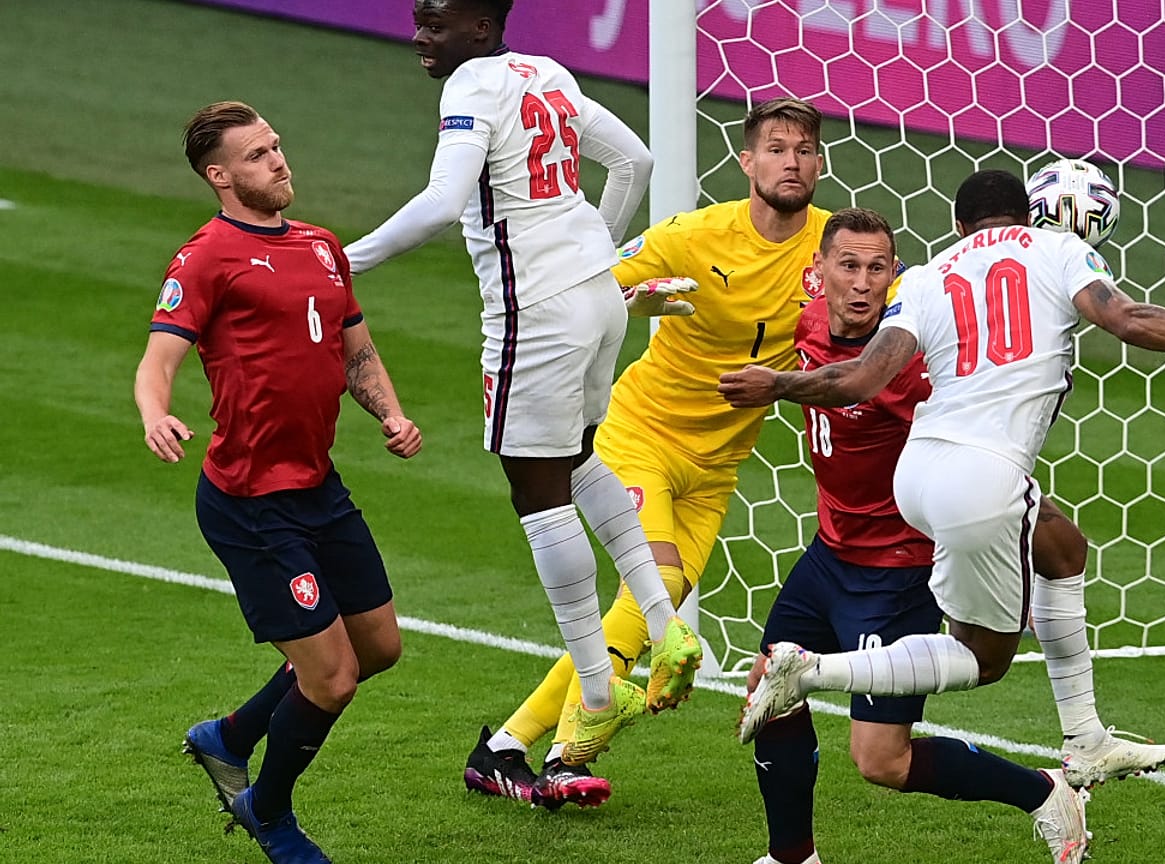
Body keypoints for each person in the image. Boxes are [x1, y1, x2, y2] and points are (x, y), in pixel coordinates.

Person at [722, 168, 1165, 748]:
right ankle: (811, 671)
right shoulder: (1061, 248)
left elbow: (861, 377)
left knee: (1063, 547)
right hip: (982, 475)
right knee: (981, 658)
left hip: (916, 476)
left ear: (959, 227)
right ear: (1032, 217)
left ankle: (1086, 739)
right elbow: (1125, 320)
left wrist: (776, 384)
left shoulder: (925, 277)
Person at [341, 0, 702, 770]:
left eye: (434, 23)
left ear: (479, 27)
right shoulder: (547, 72)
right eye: (417, 19)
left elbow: (442, 203)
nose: (418, 37)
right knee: (579, 461)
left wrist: (341, 263)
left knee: (537, 493)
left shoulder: (471, 84)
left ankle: (599, 696)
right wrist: (595, 250)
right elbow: (635, 160)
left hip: (535, 312)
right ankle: (670, 624)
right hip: (599, 298)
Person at [462, 96, 835, 808]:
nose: (793, 161)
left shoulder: (829, 245)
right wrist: (636, 303)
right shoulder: (692, 235)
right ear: (747, 161)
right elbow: (589, 285)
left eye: (806, 151)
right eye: (778, 149)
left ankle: (516, 748)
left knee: (636, 618)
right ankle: (557, 752)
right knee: (656, 594)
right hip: (643, 438)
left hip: (718, 467)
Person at [743, 207, 1089, 864]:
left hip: (897, 572)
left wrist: (1036, 541)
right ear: (819, 273)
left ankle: (1045, 793)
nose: (864, 283)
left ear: (896, 276)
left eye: (879, 268)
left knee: (882, 761)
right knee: (771, 688)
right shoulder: (808, 319)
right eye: (849, 266)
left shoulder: (916, 365)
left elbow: (983, 462)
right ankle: (792, 856)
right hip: (829, 554)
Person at [137, 100, 423, 864]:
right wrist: (155, 414)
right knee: (332, 680)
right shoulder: (205, 256)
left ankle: (226, 738)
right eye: (259, 155)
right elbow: (157, 358)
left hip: (318, 488)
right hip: (250, 503)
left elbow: (355, 349)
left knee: (379, 647)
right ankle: (269, 809)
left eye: (278, 146)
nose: (279, 161)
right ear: (220, 176)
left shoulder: (323, 245)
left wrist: (390, 414)